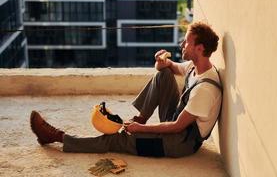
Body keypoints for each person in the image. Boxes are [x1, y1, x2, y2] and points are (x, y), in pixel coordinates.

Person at [30, 21, 222, 158]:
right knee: (163, 75)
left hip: (179, 143)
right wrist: (160, 62)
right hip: (177, 123)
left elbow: (177, 127)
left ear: (199, 48)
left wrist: (141, 130)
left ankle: (57, 137)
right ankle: (141, 117)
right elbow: (166, 68)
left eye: (187, 42)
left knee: (115, 140)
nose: (182, 44)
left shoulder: (205, 90)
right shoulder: (194, 66)